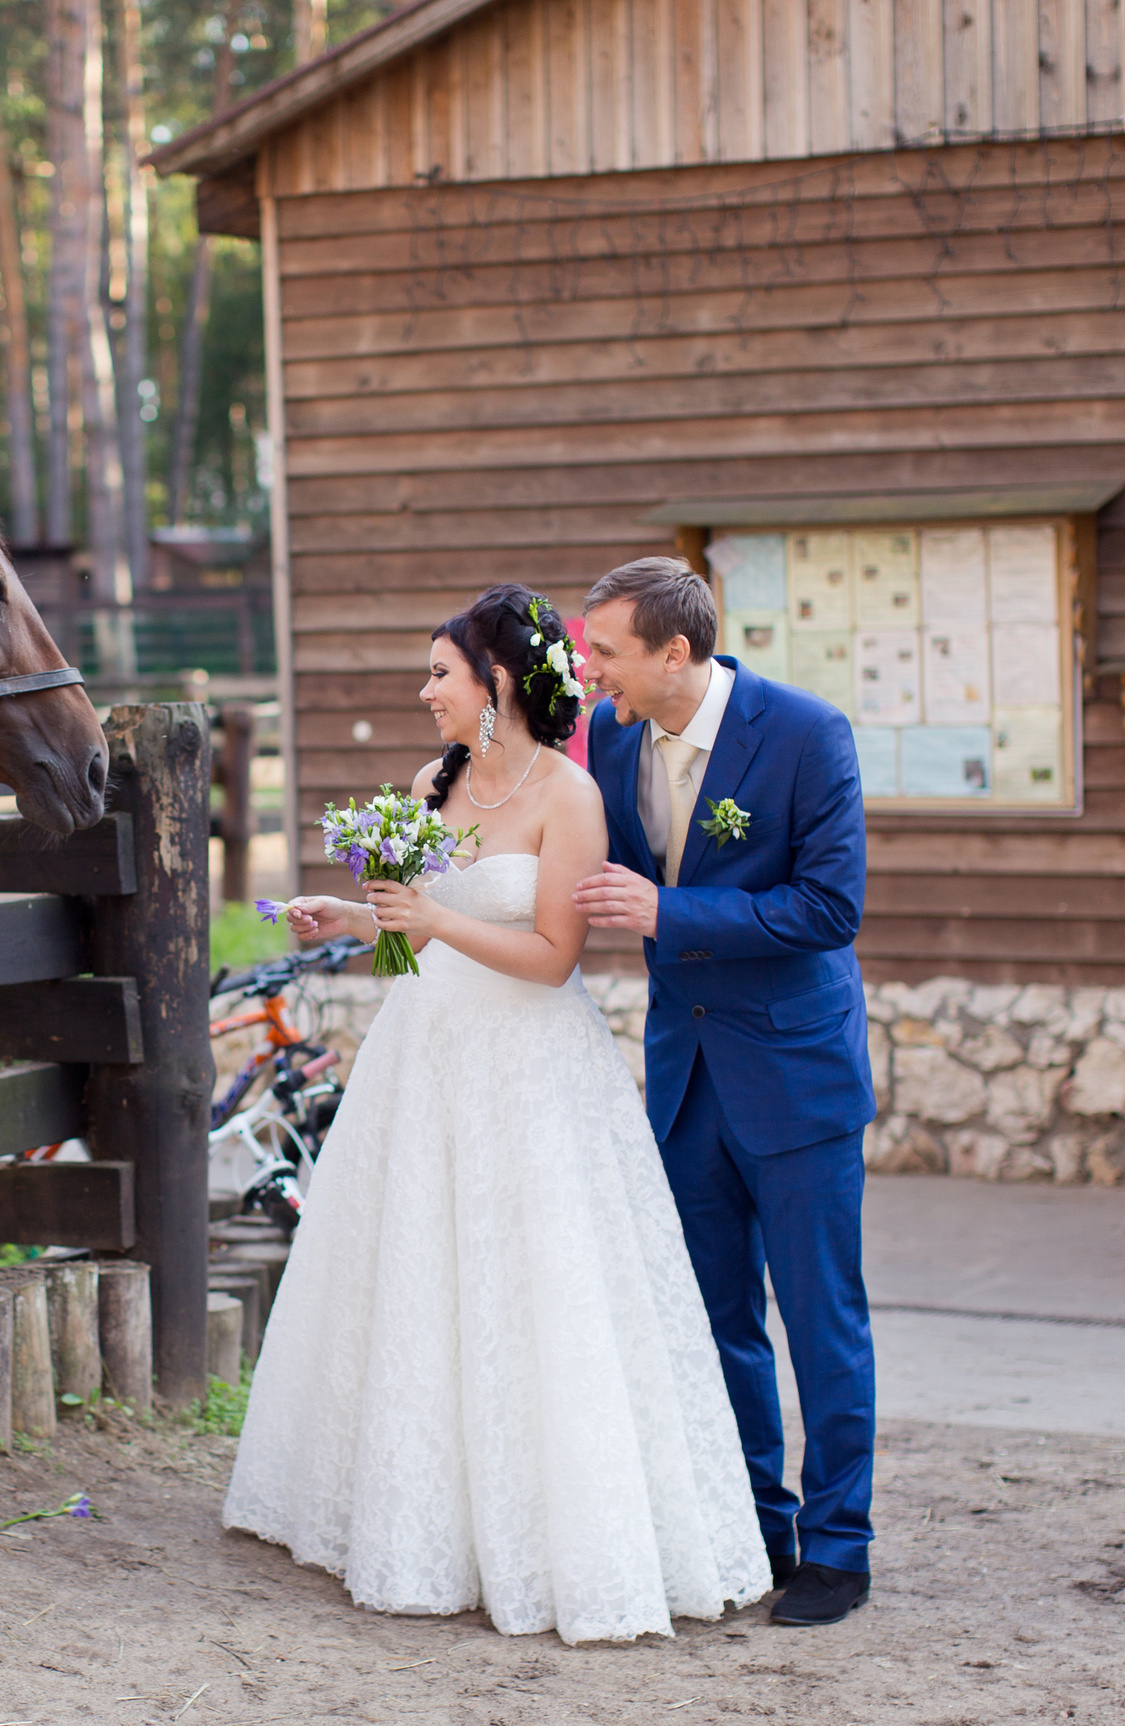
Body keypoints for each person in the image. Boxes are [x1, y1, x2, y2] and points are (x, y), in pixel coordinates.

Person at [223, 583, 772, 1645]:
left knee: (538, 1294)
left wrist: (429, 913)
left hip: (529, 1067)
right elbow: (411, 934)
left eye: (440, 673)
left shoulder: (567, 797)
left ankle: (547, 1539)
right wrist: (349, 914)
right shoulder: (434, 782)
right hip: (425, 1057)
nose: (424, 692)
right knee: (419, 1281)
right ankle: (418, 1520)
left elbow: (554, 958)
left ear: (498, 684)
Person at [572, 557, 878, 1629]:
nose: (587, 666)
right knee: (715, 1320)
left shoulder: (805, 734)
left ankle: (840, 1549)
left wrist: (674, 914)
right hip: (685, 1077)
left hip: (796, 1077)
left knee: (820, 1317)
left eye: (603, 648)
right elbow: (591, 863)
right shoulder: (611, 735)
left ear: (674, 652)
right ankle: (755, 1522)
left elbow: (828, 908)